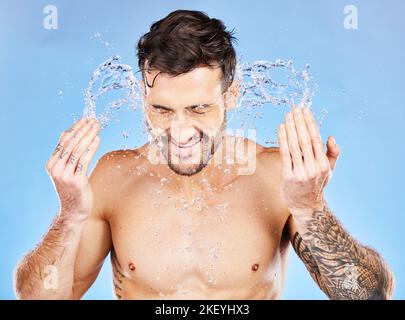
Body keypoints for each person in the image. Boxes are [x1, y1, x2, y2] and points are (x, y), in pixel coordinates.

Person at [14, 10, 394, 300]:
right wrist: (69, 215)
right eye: (162, 111)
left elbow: (368, 294)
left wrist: (311, 208)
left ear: (231, 96)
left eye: (198, 109)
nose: (178, 133)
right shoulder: (113, 177)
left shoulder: (277, 176)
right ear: (142, 98)